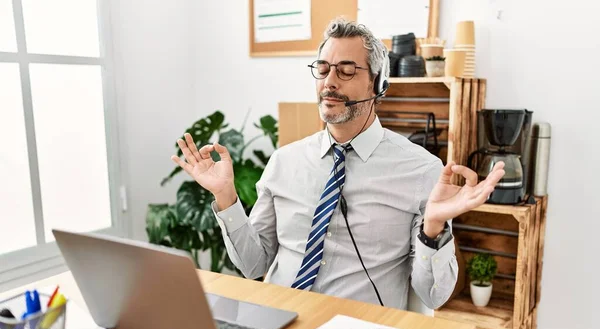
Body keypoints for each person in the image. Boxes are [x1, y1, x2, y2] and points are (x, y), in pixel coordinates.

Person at [171, 18, 505, 310]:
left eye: (346, 70)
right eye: (322, 68)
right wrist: (226, 196)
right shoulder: (284, 162)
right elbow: (252, 264)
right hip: (279, 320)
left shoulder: (421, 171)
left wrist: (432, 228)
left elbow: (433, 296)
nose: (330, 81)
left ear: (377, 84)